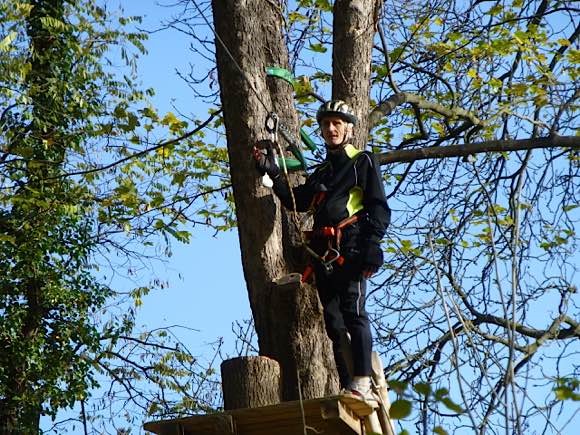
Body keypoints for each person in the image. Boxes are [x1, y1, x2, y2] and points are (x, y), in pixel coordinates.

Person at [253, 100, 390, 400]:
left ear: (349, 128)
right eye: (326, 124)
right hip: (323, 252)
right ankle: (349, 385)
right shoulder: (323, 172)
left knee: (353, 312)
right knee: (333, 321)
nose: (331, 129)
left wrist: (373, 246)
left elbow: (378, 207)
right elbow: (296, 200)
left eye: (337, 123)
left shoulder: (362, 162)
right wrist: (274, 174)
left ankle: (364, 379)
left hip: (351, 245)